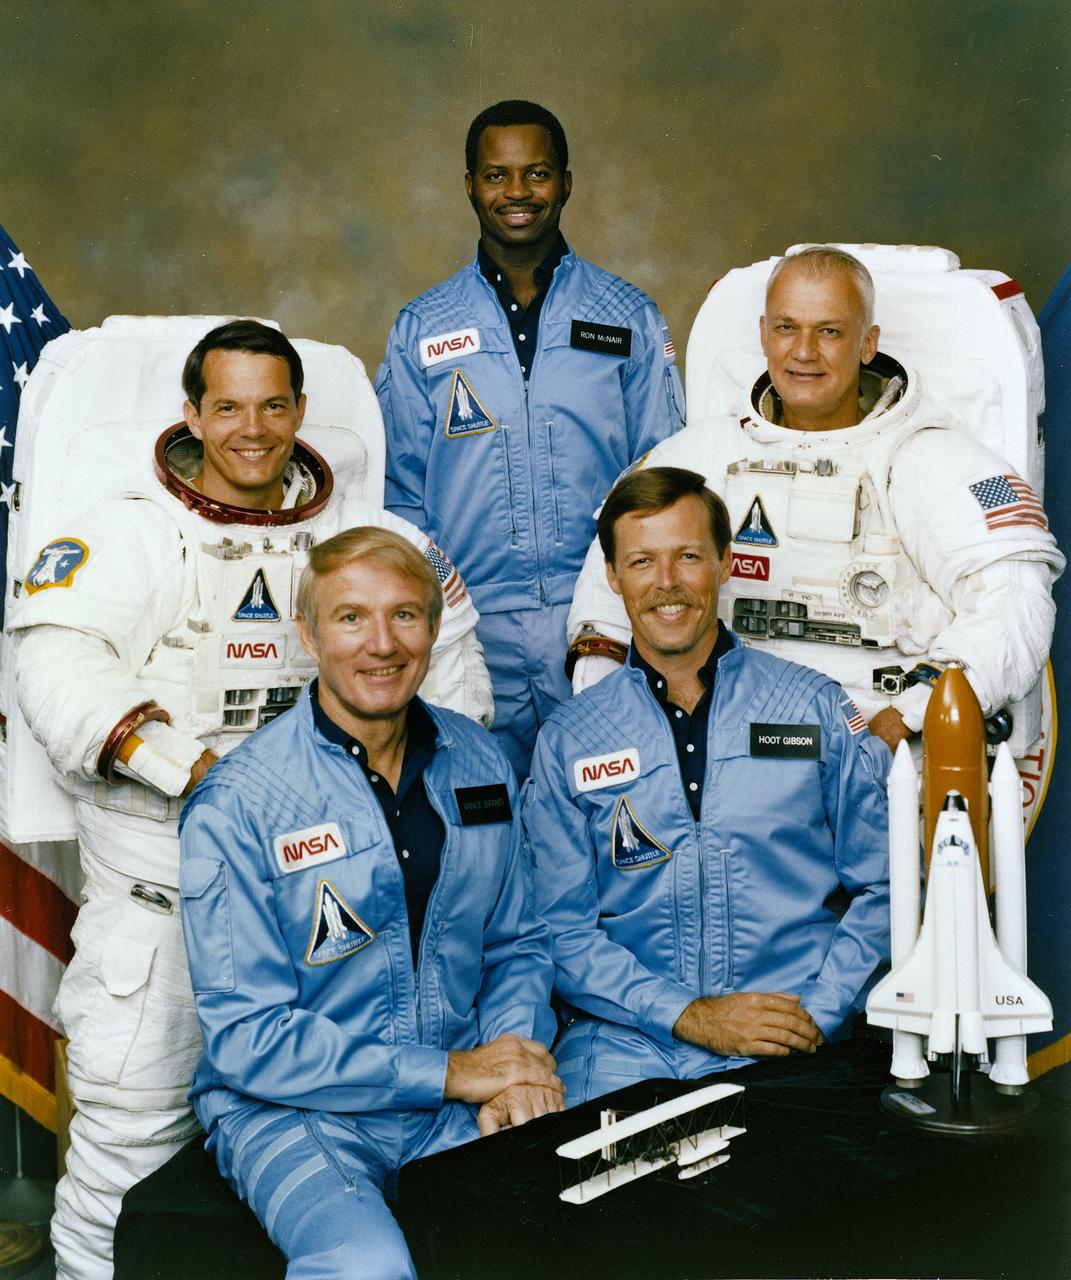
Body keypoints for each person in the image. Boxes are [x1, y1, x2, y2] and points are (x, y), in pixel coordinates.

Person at [9, 320, 492, 1280]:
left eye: (273, 406)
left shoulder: (373, 540)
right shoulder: (126, 534)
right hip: (163, 907)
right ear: (192, 414)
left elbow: (456, 685)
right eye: (228, 407)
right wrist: (201, 776)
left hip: (342, 913)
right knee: (127, 1150)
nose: (253, 429)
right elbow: (59, 675)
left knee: (353, 1138)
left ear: (301, 411)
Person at [179, 527, 561, 1278]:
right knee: (367, 1266)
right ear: (308, 634)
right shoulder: (240, 802)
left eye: (404, 615)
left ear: (434, 627)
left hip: (452, 1099)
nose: (381, 644)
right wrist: (452, 1072)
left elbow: (515, 945)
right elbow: (248, 1037)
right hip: (291, 1109)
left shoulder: (479, 762)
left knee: (550, 1240)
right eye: (351, 617)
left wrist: (512, 1064)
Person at [567, 246, 1064, 753]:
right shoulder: (698, 456)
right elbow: (608, 596)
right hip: (725, 750)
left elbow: (1014, 607)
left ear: (868, 343)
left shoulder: (935, 461)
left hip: (891, 750)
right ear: (764, 335)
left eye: (829, 331)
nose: (804, 351)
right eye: (787, 328)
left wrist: (907, 718)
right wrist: (620, 718)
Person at [522, 467, 890, 1104]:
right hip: (626, 1046)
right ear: (612, 576)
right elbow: (560, 931)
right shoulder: (571, 739)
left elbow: (884, 885)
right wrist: (688, 1016)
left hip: (790, 1031)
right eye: (642, 561)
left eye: (688, 556)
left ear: (725, 562)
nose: (666, 582)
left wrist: (820, 1012)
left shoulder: (811, 708)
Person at [376, 99, 683, 775]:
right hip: (469, 626)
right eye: (497, 175)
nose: (517, 192)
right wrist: (429, 616)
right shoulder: (423, 328)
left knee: (614, 802)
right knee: (476, 810)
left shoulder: (625, 316)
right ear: (470, 186)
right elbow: (398, 497)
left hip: (600, 618)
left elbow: (665, 477)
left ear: (565, 183)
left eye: (536, 173)